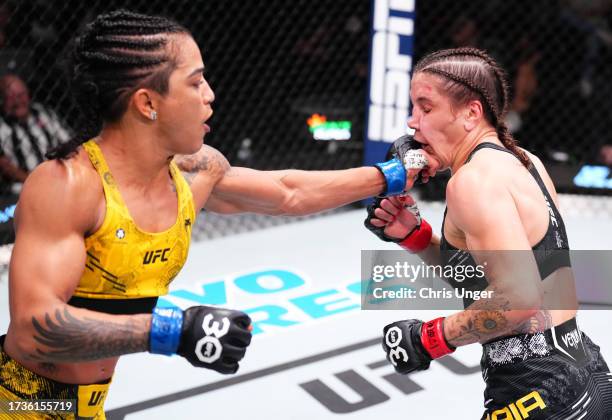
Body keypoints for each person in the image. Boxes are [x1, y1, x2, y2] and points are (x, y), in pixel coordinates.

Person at [0, 10, 422, 419]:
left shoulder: (193, 170)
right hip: (21, 403)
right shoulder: (68, 184)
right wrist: (172, 331)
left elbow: (288, 192)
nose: (210, 94)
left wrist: (391, 176)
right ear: (148, 102)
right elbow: (35, 326)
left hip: (89, 402)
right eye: (196, 81)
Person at [365, 47, 612, 419]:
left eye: (425, 108)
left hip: (537, 392)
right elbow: (491, 278)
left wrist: (430, 338)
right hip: (585, 368)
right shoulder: (523, 160)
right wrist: (414, 236)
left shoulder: (471, 182)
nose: (412, 123)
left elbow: (517, 300)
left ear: (471, 112)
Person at [0, 74, 72, 192]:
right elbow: (5, 165)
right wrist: (35, 181)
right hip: (24, 185)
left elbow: (67, 140)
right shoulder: (2, 126)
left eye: (21, 95)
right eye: (10, 97)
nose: (17, 101)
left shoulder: (43, 112)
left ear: (28, 94)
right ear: (2, 100)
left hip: (58, 174)